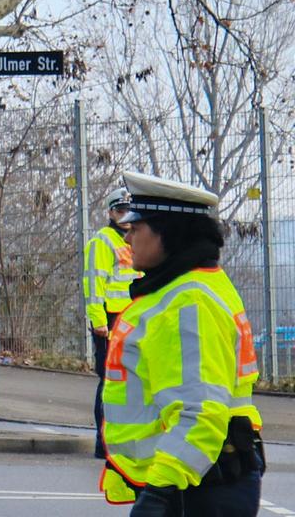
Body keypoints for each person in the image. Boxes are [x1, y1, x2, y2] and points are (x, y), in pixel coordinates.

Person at [99, 171, 263, 516]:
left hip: (192, 487)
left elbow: (199, 413)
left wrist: (159, 493)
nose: (127, 238)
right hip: (197, 481)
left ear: (167, 233)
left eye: (136, 228)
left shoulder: (188, 303)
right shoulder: (188, 288)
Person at [87, 188, 141, 457]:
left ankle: (125, 438)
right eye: (120, 211)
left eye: (129, 211)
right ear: (110, 212)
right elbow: (94, 282)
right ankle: (104, 442)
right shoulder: (103, 241)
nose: (125, 216)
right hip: (110, 319)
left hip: (133, 318)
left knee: (132, 380)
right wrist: (99, 321)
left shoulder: (136, 239)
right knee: (110, 380)